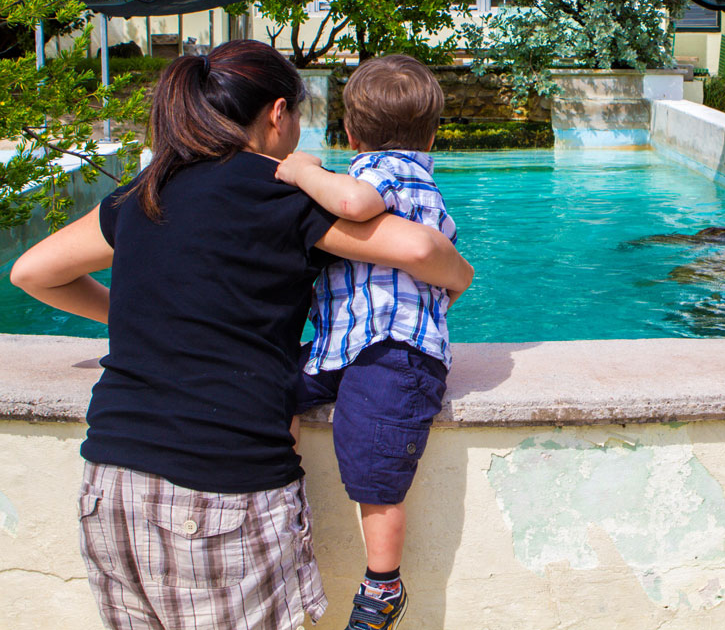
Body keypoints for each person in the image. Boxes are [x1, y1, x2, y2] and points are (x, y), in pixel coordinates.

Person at [9, 40, 474, 630]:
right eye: (299, 119)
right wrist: (462, 275)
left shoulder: (150, 186)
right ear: (277, 113)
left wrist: (143, 314)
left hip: (109, 484)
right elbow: (417, 248)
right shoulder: (278, 189)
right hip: (221, 491)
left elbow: (33, 273)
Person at [274, 54, 455, 630]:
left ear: (349, 133)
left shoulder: (393, 171)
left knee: (374, 466)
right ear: (433, 131)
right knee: (272, 386)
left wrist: (298, 168)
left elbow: (353, 204)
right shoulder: (393, 174)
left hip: (393, 351)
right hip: (347, 346)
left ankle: (383, 585)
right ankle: (282, 497)